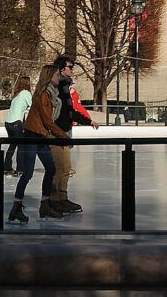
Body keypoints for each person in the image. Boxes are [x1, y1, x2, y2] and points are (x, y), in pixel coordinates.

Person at [8, 64, 69, 225]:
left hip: (41, 137)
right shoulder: (43, 95)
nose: (59, 77)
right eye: (57, 75)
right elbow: (48, 120)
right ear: (49, 76)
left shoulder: (51, 95)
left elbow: (48, 121)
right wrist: (63, 136)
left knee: (51, 168)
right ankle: (16, 206)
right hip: (32, 136)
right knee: (28, 173)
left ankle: (45, 204)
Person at [51, 57, 99, 214]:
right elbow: (53, 113)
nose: (72, 70)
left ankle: (62, 198)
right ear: (61, 69)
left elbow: (71, 112)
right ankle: (53, 200)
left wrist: (88, 121)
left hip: (63, 132)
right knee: (59, 169)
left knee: (65, 169)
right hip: (55, 133)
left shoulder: (65, 87)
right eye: (70, 67)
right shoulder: (55, 88)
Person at [4, 76, 32, 176]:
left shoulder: (16, 94)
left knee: (12, 145)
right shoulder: (26, 93)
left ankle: (6, 167)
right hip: (16, 122)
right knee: (21, 145)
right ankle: (20, 169)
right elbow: (32, 106)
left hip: (8, 122)